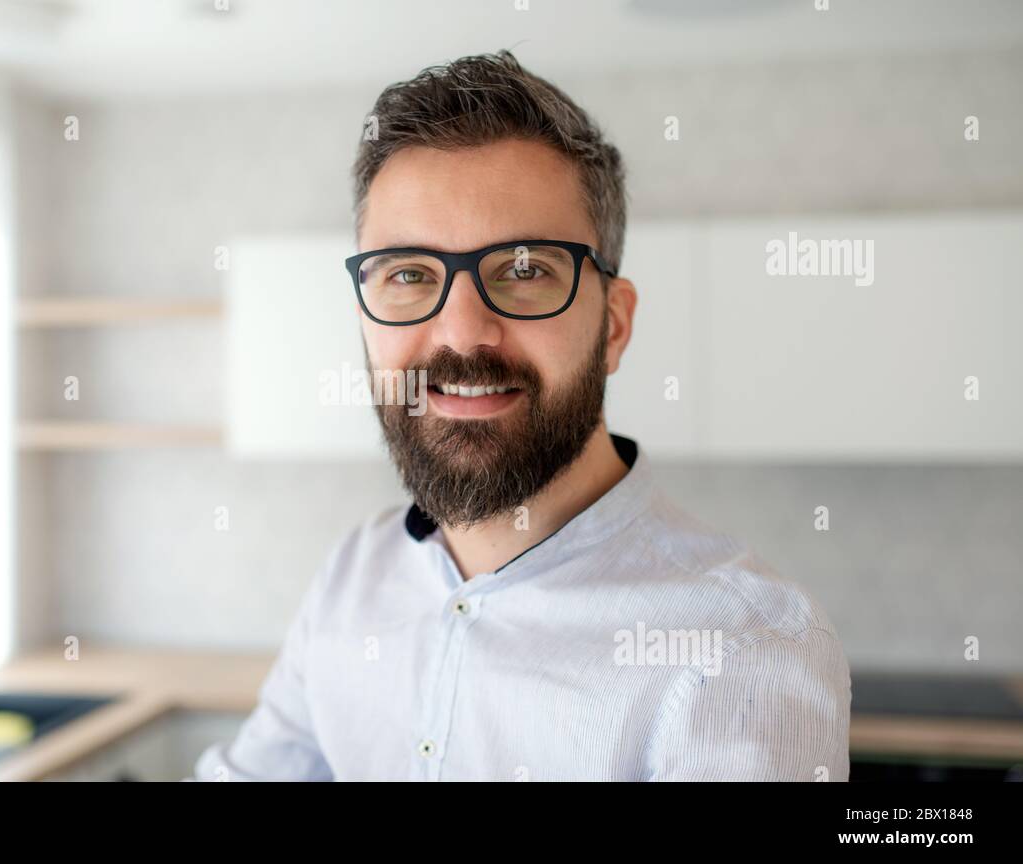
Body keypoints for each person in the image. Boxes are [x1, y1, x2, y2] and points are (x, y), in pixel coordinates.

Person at [191, 49, 849, 781]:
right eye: (409, 274)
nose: (462, 333)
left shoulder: (742, 647)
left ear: (615, 326)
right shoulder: (354, 574)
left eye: (527, 270)